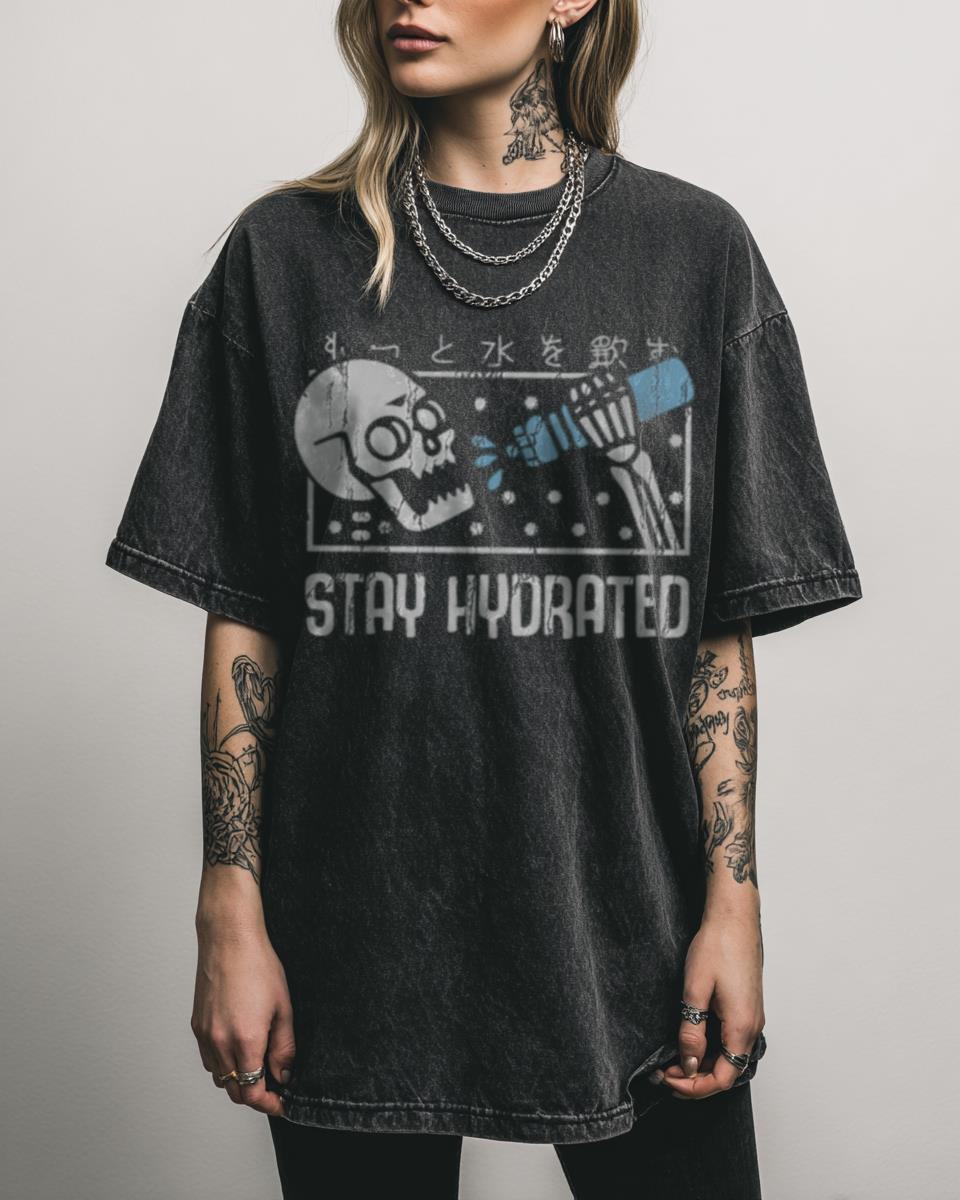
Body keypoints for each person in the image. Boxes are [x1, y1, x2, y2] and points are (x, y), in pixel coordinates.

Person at [104, 1, 863, 1196]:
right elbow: (245, 609)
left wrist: (735, 901)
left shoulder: (694, 252)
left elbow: (714, 633)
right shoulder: (284, 255)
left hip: (632, 924)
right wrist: (229, 905)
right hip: (351, 932)